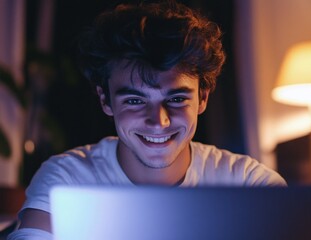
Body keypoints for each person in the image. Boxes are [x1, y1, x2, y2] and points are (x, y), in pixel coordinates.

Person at [8, 1, 287, 239]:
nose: (159, 121)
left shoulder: (250, 184)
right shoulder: (66, 180)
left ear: (202, 98)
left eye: (177, 99)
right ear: (106, 101)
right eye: (135, 101)